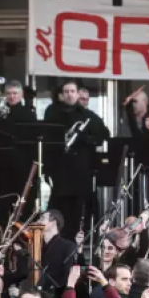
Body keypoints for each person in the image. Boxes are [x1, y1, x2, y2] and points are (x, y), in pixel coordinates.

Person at [44, 80, 111, 239]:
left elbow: (104, 135)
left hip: (81, 171)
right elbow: (46, 139)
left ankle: (79, 243)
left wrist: (85, 139)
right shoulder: (52, 113)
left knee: (79, 209)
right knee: (59, 207)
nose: (69, 94)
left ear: (77, 93)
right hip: (60, 169)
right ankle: (58, 240)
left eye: (72, 91)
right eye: (66, 92)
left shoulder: (86, 115)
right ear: (61, 95)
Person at [0, 80, 37, 224]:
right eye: (9, 93)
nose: (11, 96)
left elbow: (31, 142)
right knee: (3, 206)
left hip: (22, 167)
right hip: (2, 168)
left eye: (15, 93)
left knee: (23, 206)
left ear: (21, 95)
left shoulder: (29, 114)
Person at [36, 210, 76, 295]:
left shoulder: (68, 246)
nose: (38, 222)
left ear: (53, 223)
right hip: (37, 297)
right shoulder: (36, 247)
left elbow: (67, 276)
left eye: (42, 219)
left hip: (56, 297)